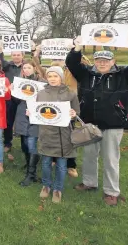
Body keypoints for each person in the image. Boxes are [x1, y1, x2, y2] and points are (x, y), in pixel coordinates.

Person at [68, 34, 128, 206]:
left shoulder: (123, 76)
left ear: (113, 61)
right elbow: (72, 63)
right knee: (90, 156)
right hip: (90, 124)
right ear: (94, 61)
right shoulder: (86, 74)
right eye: (99, 60)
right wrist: (76, 48)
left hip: (113, 124)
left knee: (111, 159)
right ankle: (90, 183)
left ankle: (111, 191)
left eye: (106, 60)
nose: (102, 63)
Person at [34, 45, 90, 178]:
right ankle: (53, 159)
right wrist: (36, 54)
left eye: (60, 59)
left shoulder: (72, 70)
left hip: (69, 103)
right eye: (55, 59)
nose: (57, 60)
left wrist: (76, 50)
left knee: (68, 137)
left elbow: (86, 64)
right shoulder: (49, 74)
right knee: (51, 132)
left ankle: (71, 165)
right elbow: (38, 67)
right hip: (53, 104)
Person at [33, 66, 79, 203]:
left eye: (55, 76)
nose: (52, 79)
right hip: (46, 133)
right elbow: (37, 111)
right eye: (50, 76)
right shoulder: (41, 93)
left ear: (61, 77)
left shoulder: (70, 93)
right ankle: (46, 185)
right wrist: (31, 113)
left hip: (63, 135)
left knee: (61, 164)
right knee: (46, 162)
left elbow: (77, 112)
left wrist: (74, 114)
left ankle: (58, 189)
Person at [0, 42, 35, 159]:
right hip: (10, 98)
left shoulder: (26, 67)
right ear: (11, 56)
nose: (16, 57)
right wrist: (0, 51)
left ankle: (28, 145)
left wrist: (34, 51)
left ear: (23, 55)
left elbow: (36, 64)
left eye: (18, 55)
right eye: (14, 55)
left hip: (23, 100)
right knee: (8, 121)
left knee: (25, 121)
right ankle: (8, 142)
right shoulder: (7, 66)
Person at [16, 61, 46, 187]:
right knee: (24, 143)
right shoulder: (20, 81)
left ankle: (31, 174)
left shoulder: (42, 83)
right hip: (22, 114)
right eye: (24, 68)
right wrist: (13, 90)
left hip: (35, 115)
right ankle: (29, 165)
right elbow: (16, 99)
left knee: (32, 144)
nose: (26, 70)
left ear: (34, 68)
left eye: (29, 67)